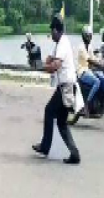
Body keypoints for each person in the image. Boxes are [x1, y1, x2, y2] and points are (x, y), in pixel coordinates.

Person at [33, 13, 80, 165]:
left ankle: (45, 147)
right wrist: (36, 57)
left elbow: (55, 66)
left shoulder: (63, 44)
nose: (51, 34)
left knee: (48, 111)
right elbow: (50, 59)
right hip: (66, 86)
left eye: (51, 30)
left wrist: (41, 67)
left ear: (56, 30)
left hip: (65, 87)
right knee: (61, 122)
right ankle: (75, 154)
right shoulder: (61, 43)